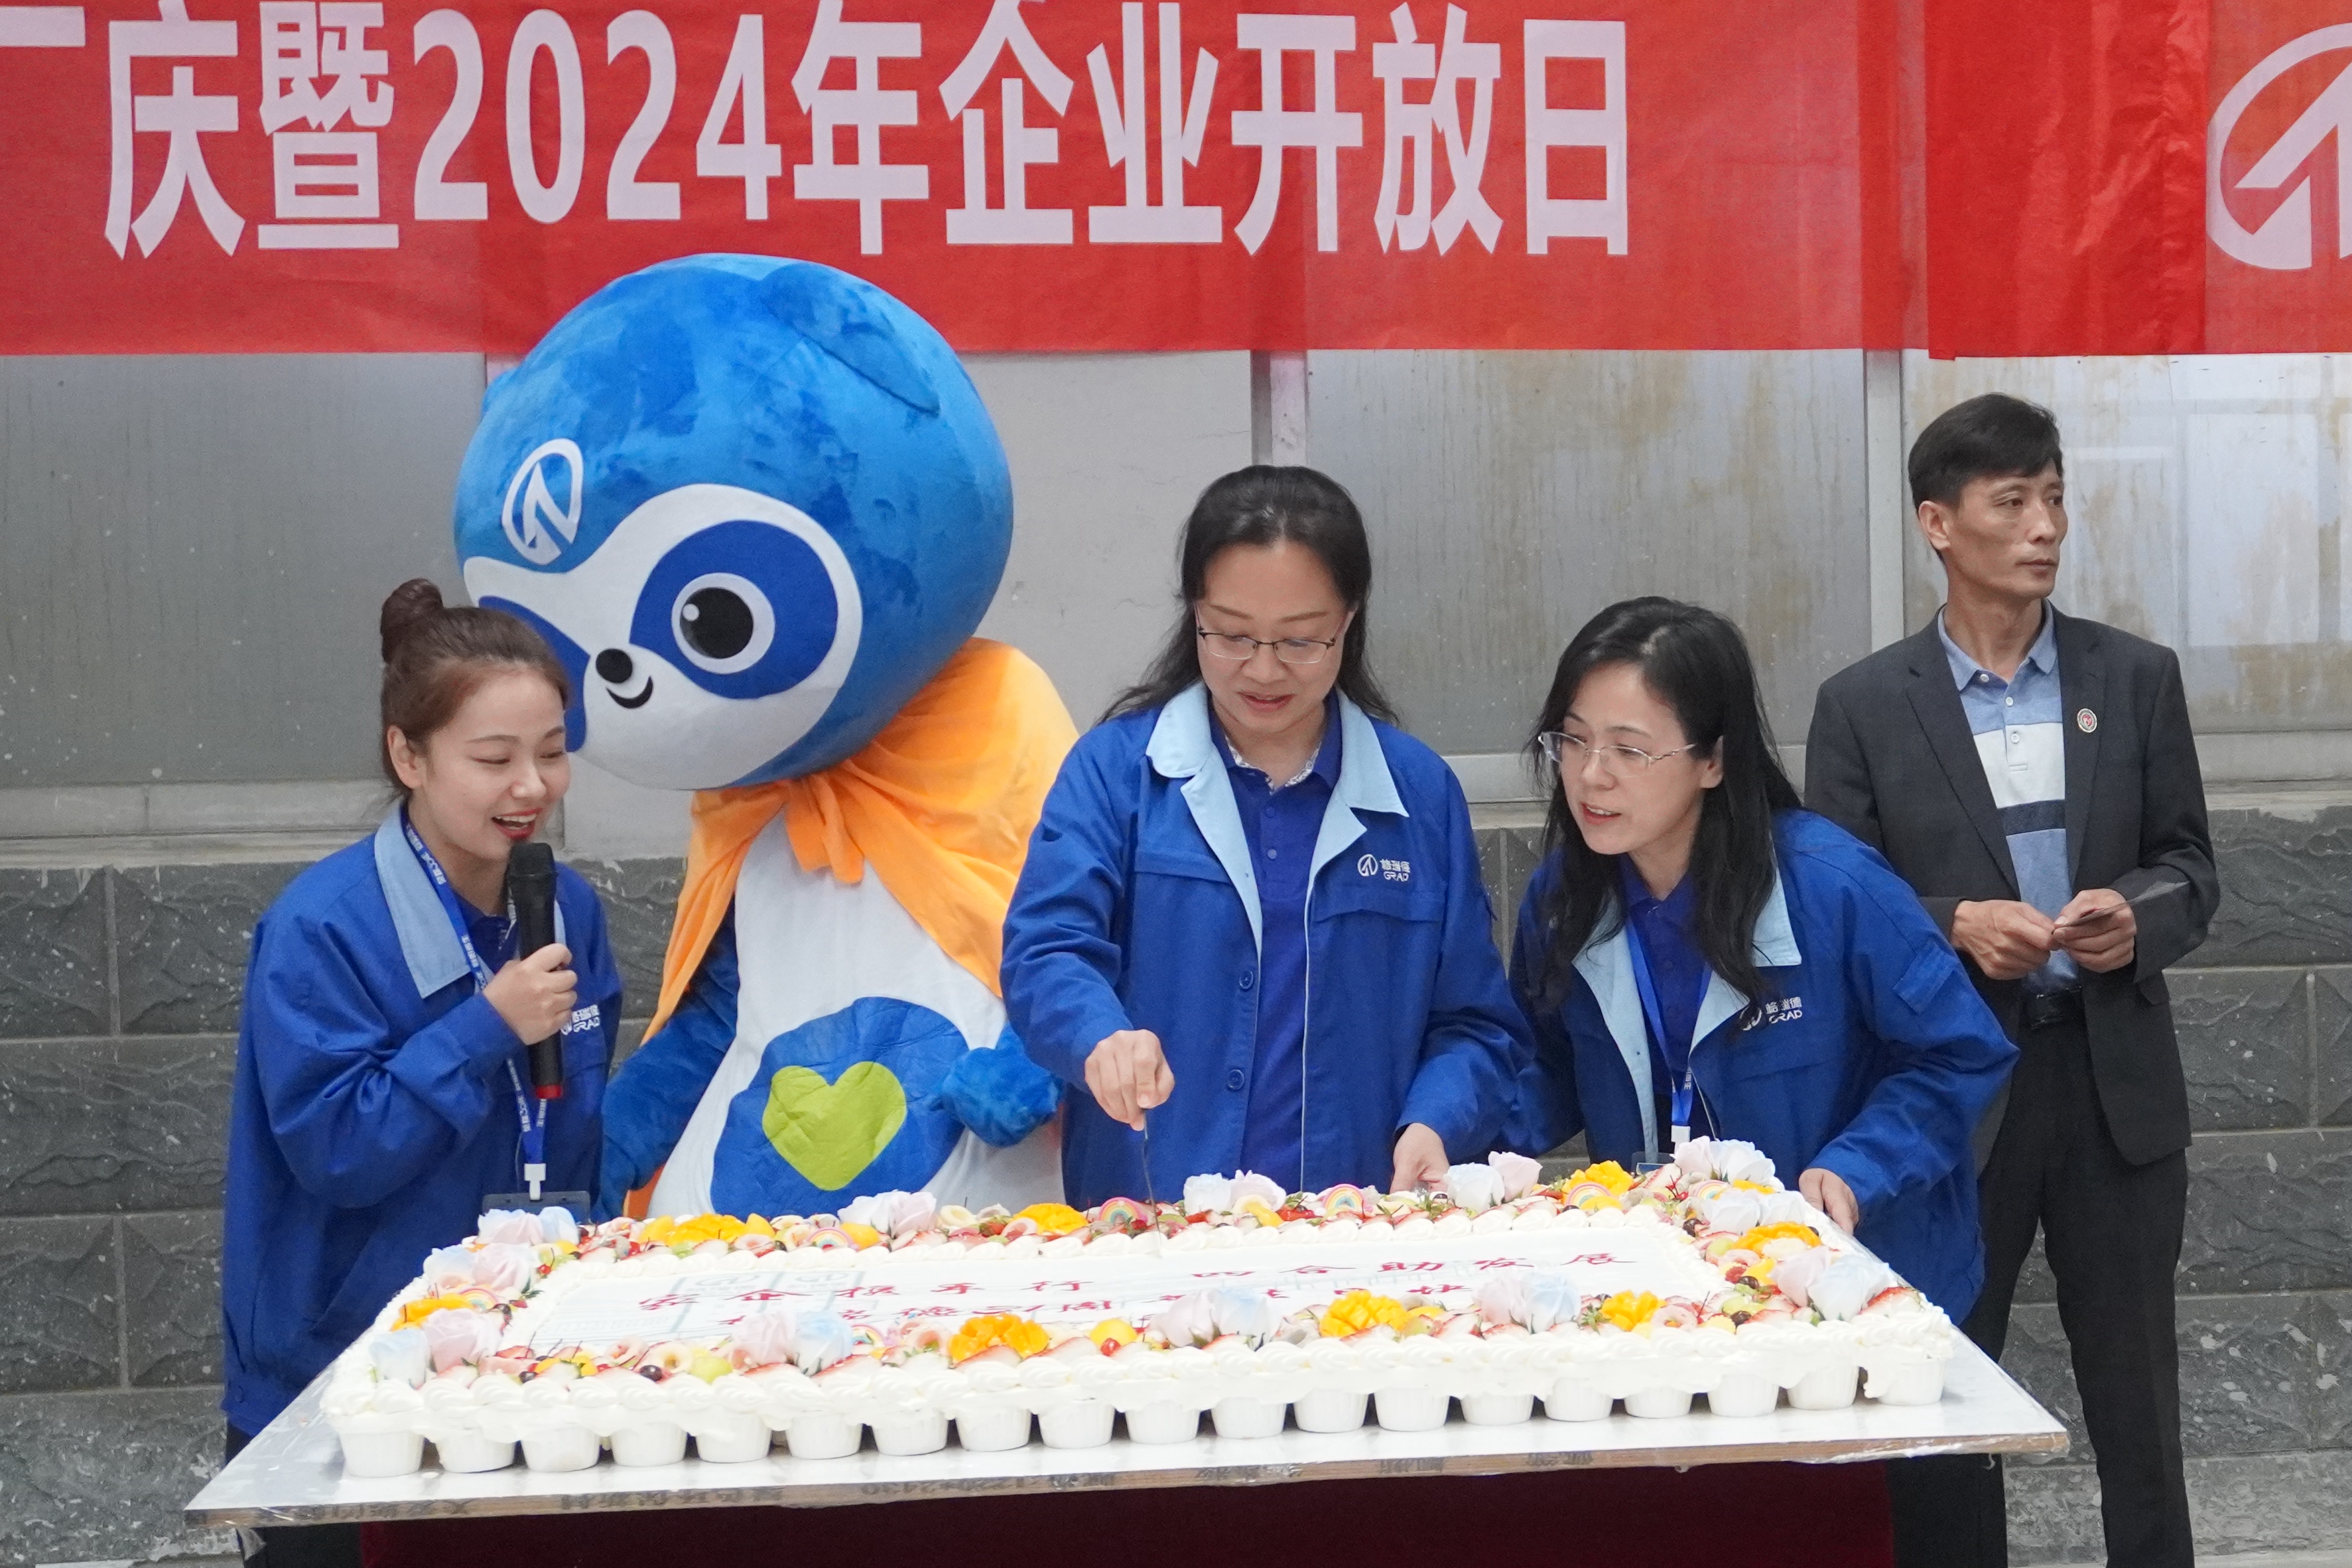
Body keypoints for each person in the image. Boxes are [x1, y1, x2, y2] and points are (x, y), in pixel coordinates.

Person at [1805, 394, 2214, 1568]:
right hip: (1950, 1101)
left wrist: (2135, 917)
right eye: (2013, 501)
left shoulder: (2132, 677)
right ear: (1938, 523)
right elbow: (1833, 906)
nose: (2044, 526)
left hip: (2111, 1088)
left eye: (2054, 498)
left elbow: (2190, 865)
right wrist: (1952, 925)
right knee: (1940, 1394)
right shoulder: (1863, 705)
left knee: (2138, 1404)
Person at [219, 581, 621, 1565]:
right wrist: (485, 1028)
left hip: (524, 1367)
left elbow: (580, 1119)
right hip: (344, 1375)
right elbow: (338, 1151)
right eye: (494, 758)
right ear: (409, 756)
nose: (531, 786)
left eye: (552, 752)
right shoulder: (321, 927)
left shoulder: (565, 907)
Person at [1002, 466, 1525, 1207]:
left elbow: (1474, 1025)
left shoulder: (1418, 795)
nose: (1264, 669)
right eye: (1232, 635)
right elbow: (1047, 950)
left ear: (1348, 621)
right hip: (1150, 1216)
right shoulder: (1116, 772)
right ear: (1194, 614)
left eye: (1301, 640)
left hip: (1355, 1220)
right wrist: (1098, 1037)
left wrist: (1436, 1120)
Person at [1506, 597, 2014, 1321]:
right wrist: (1448, 1131)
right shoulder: (1565, 898)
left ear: (1713, 760)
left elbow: (1960, 1054)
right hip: (1673, 1285)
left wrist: (1860, 1167)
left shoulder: (1834, 887)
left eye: (1630, 750)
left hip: (1861, 1280)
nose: (1591, 776)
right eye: (1574, 740)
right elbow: (1547, 1066)